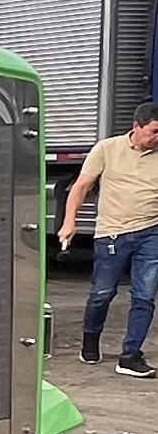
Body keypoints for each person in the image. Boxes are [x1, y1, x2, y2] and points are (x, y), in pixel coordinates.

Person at [59, 103, 158, 373]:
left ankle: (130, 356)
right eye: (154, 131)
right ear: (136, 126)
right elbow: (81, 187)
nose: (157, 138)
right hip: (112, 233)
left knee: (144, 296)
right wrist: (69, 221)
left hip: (151, 233)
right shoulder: (107, 149)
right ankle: (90, 339)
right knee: (102, 294)